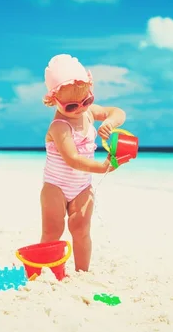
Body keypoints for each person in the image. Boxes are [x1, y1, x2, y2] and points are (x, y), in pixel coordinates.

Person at [40, 54, 126, 272]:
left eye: (87, 101)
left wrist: (109, 121)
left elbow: (118, 112)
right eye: (71, 106)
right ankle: (46, 270)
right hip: (55, 187)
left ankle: (82, 273)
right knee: (53, 230)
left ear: (90, 90)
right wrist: (103, 167)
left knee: (81, 229)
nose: (80, 108)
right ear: (53, 100)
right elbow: (73, 160)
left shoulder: (87, 114)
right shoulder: (59, 127)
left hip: (81, 187)